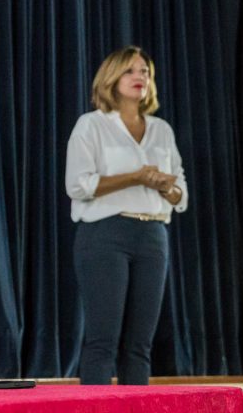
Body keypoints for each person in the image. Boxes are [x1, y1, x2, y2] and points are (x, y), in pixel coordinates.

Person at [65, 45, 188, 385]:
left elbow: (182, 195)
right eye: (131, 71)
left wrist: (165, 186)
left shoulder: (161, 129)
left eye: (145, 72)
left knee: (139, 345)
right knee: (103, 340)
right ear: (111, 77)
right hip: (105, 235)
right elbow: (77, 185)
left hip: (153, 236)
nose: (140, 78)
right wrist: (136, 176)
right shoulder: (91, 125)